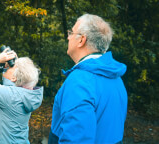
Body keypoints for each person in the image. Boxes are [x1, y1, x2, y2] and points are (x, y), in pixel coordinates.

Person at [48, 14, 127, 144]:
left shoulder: (80, 81)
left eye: (71, 33)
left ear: (81, 40)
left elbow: (75, 139)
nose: (68, 37)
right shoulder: (116, 78)